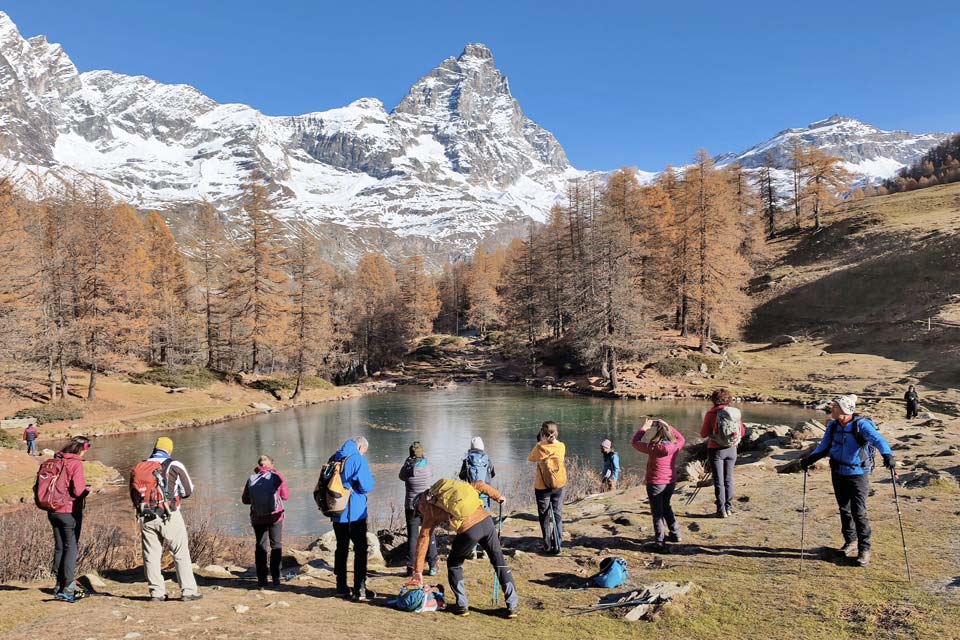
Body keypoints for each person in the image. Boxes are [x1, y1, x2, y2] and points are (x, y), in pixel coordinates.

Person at [800, 394, 895, 567]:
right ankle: (850, 542)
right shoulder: (833, 425)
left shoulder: (861, 425)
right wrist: (809, 460)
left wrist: (887, 455)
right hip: (838, 471)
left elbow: (878, 439)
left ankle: (864, 549)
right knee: (844, 509)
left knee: (858, 511)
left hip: (858, 473)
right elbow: (824, 446)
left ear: (844, 409)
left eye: (835, 406)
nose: (831, 408)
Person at [409, 478, 518, 618]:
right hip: (487, 522)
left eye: (419, 513)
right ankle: (512, 606)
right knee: (499, 562)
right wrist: (498, 496)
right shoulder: (448, 489)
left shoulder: (429, 509)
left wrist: (418, 571)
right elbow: (479, 485)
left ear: (420, 505)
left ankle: (462, 606)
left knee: (454, 564)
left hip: (469, 530)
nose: (421, 516)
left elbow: (423, 540)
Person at [129, 437, 201, 602]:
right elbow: (187, 491)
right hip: (169, 515)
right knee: (180, 552)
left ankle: (156, 592)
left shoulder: (140, 466)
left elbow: (133, 493)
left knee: (151, 555)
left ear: (155, 449)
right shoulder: (174, 465)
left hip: (146, 515)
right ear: (169, 449)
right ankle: (188, 591)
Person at [329, 436, 375, 601]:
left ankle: (341, 586)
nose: (363, 454)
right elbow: (367, 485)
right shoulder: (357, 459)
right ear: (360, 447)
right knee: (360, 549)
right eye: (364, 451)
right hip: (355, 512)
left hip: (336, 511)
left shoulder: (334, 457)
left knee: (341, 548)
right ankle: (359, 588)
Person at [47, 436, 91, 603]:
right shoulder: (75, 463)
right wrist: (87, 490)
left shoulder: (55, 460)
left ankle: (58, 586)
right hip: (69, 511)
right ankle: (68, 588)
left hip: (52, 510)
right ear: (82, 448)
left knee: (59, 547)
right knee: (71, 548)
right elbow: (79, 491)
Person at [632, 419, 686, 552]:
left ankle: (660, 542)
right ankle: (675, 534)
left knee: (657, 513)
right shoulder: (675, 446)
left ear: (657, 434)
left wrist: (644, 428)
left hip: (655, 483)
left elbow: (635, 442)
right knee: (666, 506)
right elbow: (681, 438)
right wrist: (668, 426)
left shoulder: (653, 448)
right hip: (670, 482)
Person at [241, 455, 290, 589]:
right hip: (275, 517)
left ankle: (262, 579)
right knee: (276, 545)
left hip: (258, 517)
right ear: (272, 464)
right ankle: (276, 578)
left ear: (259, 465)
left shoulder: (252, 479)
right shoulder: (277, 477)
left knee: (260, 546)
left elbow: (245, 500)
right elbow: (285, 496)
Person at [700, 388, 745, 518]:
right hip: (732, 449)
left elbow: (703, 434)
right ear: (729, 400)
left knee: (719, 481)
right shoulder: (734, 413)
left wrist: (713, 434)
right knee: (728, 479)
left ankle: (721, 511)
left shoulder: (711, 414)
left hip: (716, 450)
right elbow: (742, 432)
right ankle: (729, 508)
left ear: (714, 400)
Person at [527, 420, 567, 555]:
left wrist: (541, 442)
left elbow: (531, 458)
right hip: (559, 484)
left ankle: (547, 545)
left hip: (542, 486)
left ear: (543, 434)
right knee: (557, 513)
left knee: (544, 515)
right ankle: (558, 543)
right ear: (556, 433)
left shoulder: (540, 447)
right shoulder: (561, 446)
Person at [399, 441, 437, 576]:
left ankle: (411, 567)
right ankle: (433, 565)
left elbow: (401, 476)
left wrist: (408, 462)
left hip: (411, 506)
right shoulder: (427, 466)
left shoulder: (407, 469)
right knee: (429, 533)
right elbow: (432, 473)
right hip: (426, 505)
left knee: (413, 537)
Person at [458, 436, 496, 559]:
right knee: (486, 521)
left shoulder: (467, 460)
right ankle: (486, 551)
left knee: (472, 522)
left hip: (471, 495)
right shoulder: (487, 459)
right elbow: (492, 474)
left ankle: (472, 551)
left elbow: (461, 476)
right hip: (485, 495)